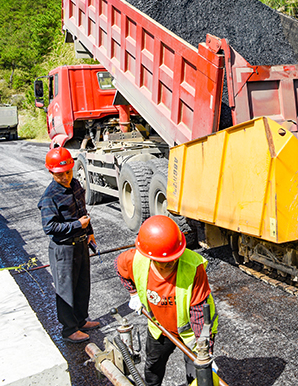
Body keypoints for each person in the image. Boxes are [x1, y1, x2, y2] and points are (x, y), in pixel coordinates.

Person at [116, 215, 217, 386]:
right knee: (153, 367)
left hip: (190, 332)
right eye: (162, 262)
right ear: (150, 256)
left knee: (198, 376)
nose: (169, 264)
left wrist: (204, 350)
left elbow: (199, 310)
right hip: (158, 327)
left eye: (172, 260)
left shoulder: (193, 266)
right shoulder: (135, 260)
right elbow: (120, 268)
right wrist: (133, 293)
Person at [38, 146, 99, 344]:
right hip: (63, 249)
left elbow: (83, 211)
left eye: (67, 172)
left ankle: (81, 320)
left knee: (82, 285)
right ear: (51, 172)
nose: (65, 177)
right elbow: (49, 227)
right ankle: (69, 329)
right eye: (59, 174)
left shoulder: (75, 185)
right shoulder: (50, 197)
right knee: (66, 289)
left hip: (80, 244)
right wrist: (76, 225)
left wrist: (89, 233)